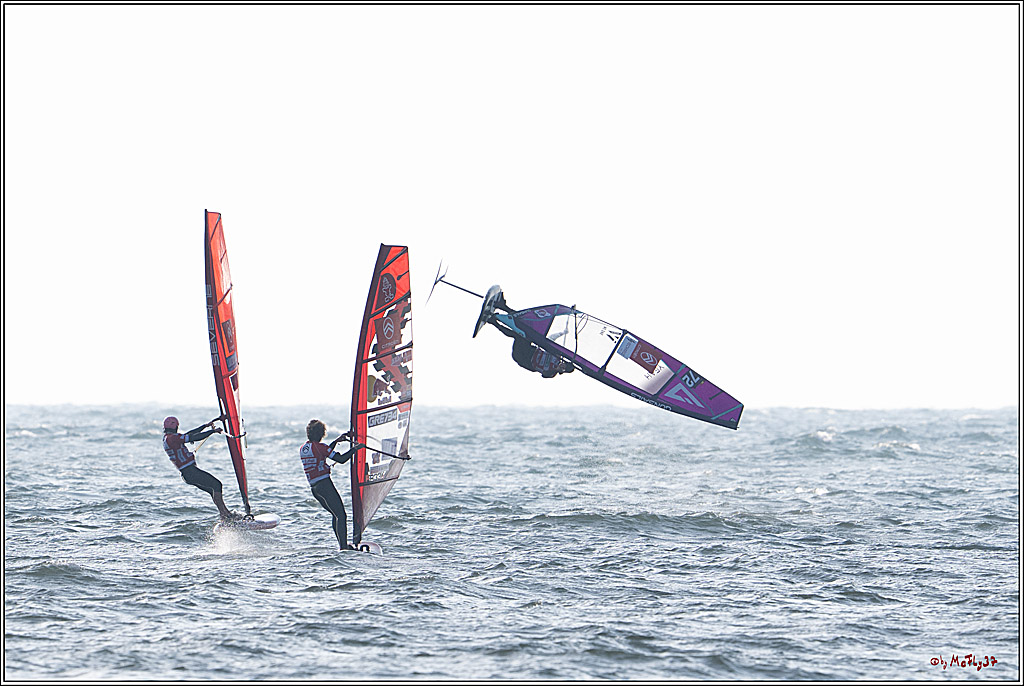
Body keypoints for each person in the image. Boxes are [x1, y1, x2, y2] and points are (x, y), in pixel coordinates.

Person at [300, 419, 363, 551]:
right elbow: (341, 459)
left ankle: (342, 545)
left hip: (315, 488)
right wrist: (355, 449)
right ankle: (344, 548)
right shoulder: (320, 447)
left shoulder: (305, 448)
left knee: (336, 514)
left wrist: (336, 441)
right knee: (341, 515)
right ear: (321, 434)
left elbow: (322, 452)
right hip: (325, 485)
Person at [162, 415, 239, 521]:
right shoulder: (173, 438)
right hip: (190, 472)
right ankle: (225, 515)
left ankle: (226, 514)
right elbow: (193, 437)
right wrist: (212, 431)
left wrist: (205, 426)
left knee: (213, 490)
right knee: (217, 485)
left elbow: (189, 434)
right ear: (176, 427)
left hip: (187, 474)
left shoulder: (168, 438)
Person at [488, 290, 575, 378]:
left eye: (563, 369)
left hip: (524, 358)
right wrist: (562, 333)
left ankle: (494, 322)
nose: (562, 366)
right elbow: (551, 339)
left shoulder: (552, 373)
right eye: (564, 365)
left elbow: (544, 375)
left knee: (518, 336)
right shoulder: (557, 356)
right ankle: (503, 306)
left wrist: (556, 369)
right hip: (530, 349)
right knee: (526, 327)